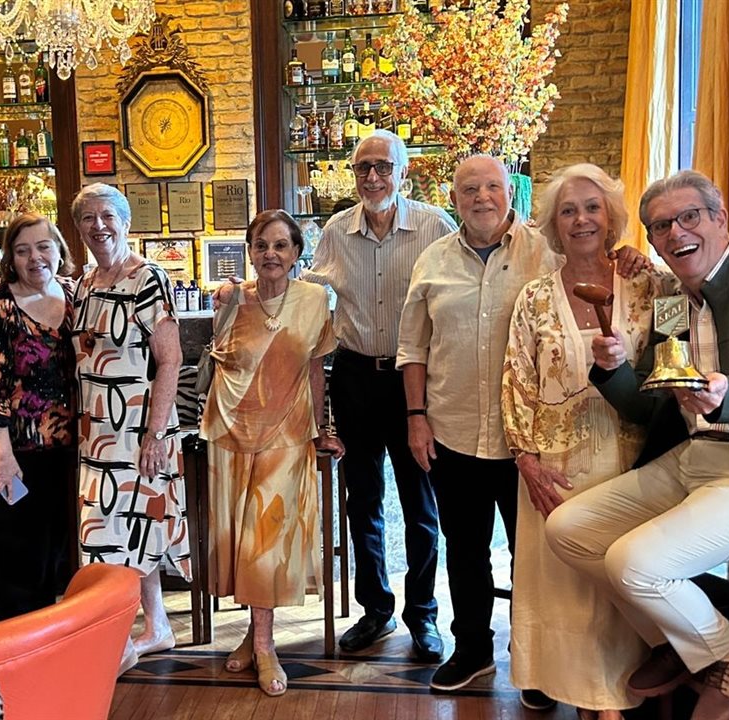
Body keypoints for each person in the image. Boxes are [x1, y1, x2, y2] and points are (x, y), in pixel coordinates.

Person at [546, 170, 729, 720]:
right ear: (653, 240)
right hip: (693, 460)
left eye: (690, 216)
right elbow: (649, 404)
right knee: (568, 530)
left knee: (635, 563)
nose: (676, 232)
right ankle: (690, 647)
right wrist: (609, 371)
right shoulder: (674, 306)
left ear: (720, 217)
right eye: (661, 225)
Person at [399, 155, 661, 702]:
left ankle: (536, 659)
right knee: (464, 546)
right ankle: (472, 649)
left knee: (534, 555)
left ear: (509, 192)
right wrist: (416, 418)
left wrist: (632, 254)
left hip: (539, 441)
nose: (481, 197)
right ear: (455, 197)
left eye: (491, 186)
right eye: (469, 188)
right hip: (455, 427)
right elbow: (413, 347)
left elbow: (596, 250)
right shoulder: (430, 262)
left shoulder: (546, 247)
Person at [501, 164, 672, 719]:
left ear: (612, 218)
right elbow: (516, 381)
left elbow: (700, 304)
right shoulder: (533, 299)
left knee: (618, 581)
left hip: (632, 463)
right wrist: (525, 459)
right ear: (553, 225)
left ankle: (616, 695)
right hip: (557, 469)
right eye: (569, 211)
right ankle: (576, 692)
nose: (581, 220)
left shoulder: (646, 285)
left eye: (592, 208)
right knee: (567, 591)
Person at [305, 129, 456, 662]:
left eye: (383, 167)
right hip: (353, 378)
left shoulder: (435, 226)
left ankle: (423, 615)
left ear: (403, 173)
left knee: (420, 504)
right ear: (354, 174)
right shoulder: (334, 231)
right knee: (362, 500)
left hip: (414, 381)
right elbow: (308, 292)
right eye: (364, 167)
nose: (373, 177)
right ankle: (375, 609)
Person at [202, 209, 344, 696]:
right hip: (230, 433)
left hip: (287, 434)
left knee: (266, 544)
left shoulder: (313, 301)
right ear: (249, 251)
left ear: (298, 253)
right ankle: (254, 634)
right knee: (243, 543)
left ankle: (264, 647)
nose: (270, 254)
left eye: (281, 245)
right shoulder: (231, 300)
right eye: (261, 245)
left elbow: (317, 370)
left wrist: (323, 428)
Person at [71, 183, 190, 672]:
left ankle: (117, 638)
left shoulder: (148, 279)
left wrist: (155, 435)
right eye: (87, 219)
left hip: (138, 428)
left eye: (107, 216)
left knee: (115, 536)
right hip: (96, 426)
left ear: (125, 222)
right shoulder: (84, 282)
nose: (98, 226)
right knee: (123, 533)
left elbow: (171, 358)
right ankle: (156, 627)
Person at [0, 213, 77, 622]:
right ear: (10, 258)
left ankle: (52, 645)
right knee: (16, 561)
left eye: (44, 246)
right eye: (22, 250)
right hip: (15, 453)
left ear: (60, 250)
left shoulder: (74, 297)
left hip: (70, 452)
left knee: (59, 556)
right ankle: (17, 650)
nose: (35, 258)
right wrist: (2, 456)